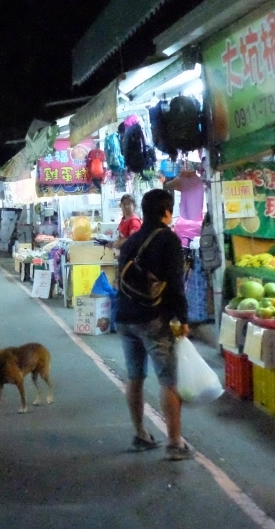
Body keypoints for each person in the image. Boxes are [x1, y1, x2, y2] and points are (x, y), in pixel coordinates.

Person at [115, 188, 193, 461]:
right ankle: (174, 443)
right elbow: (175, 283)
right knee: (168, 380)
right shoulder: (167, 239)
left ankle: (141, 435)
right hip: (153, 319)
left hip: (124, 317)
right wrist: (183, 318)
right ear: (166, 211)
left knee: (134, 377)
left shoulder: (131, 241)